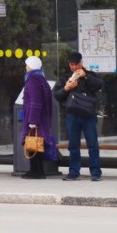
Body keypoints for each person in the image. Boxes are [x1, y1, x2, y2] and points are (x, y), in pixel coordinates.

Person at [52, 52, 104, 182]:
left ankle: (96, 173)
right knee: (73, 145)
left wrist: (85, 76)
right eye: (71, 65)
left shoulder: (90, 74)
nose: (74, 67)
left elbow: (99, 85)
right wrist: (66, 88)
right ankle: (73, 172)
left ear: (81, 63)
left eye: (76, 64)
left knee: (92, 144)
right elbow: (57, 95)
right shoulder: (66, 77)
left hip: (88, 114)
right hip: (72, 115)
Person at [21, 56, 55, 179]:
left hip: (36, 119)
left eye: (27, 65)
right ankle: (38, 170)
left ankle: (35, 171)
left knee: (33, 143)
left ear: (31, 66)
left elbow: (35, 102)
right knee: (39, 144)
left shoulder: (32, 80)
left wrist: (32, 120)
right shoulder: (41, 78)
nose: (26, 67)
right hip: (43, 118)